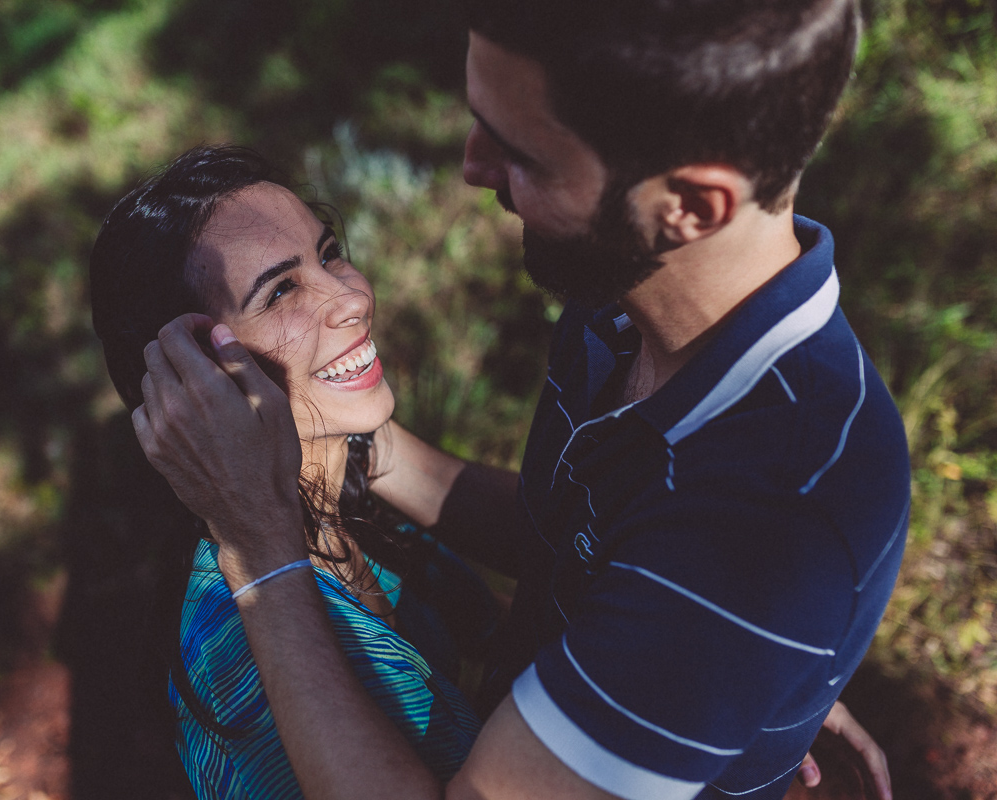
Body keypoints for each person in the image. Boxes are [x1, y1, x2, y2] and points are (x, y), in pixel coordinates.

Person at [131, 3, 910, 796]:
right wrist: (726, 677)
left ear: (689, 208)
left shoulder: (769, 517)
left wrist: (261, 555)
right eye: (481, 121)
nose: (472, 168)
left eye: (524, 153)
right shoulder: (622, 293)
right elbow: (572, 530)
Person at [89, 146, 484, 798]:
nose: (352, 297)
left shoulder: (348, 493)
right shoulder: (239, 660)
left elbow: (538, 582)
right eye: (281, 291)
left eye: (328, 253)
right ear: (198, 380)